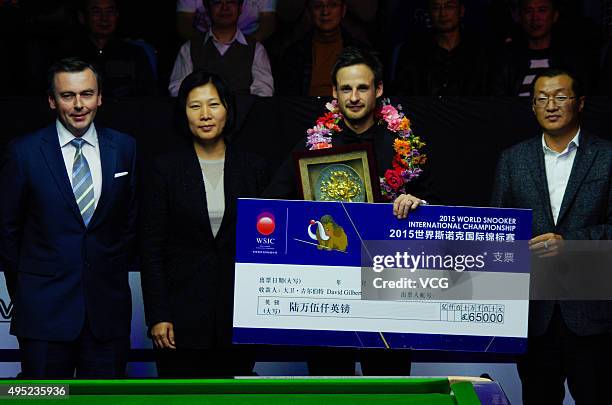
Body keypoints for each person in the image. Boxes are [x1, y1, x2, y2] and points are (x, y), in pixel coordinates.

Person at [266, 46, 435, 375]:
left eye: (362, 87)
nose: (354, 96)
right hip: (330, 287)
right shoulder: (314, 144)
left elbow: (437, 210)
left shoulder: (407, 146)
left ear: (379, 90)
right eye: (346, 88)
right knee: (330, 385)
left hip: (389, 288)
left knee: (389, 386)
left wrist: (418, 205)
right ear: (334, 93)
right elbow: (274, 201)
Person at [0, 57, 137, 378]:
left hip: (107, 315)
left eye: (87, 94)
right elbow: (7, 230)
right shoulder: (24, 152)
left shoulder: (125, 148)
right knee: (44, 401)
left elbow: (129, 222)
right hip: (43, 314)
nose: (79, 105)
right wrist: (28, 292)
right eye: (67, 95)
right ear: (52, 100)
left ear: (100, 97)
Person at [491, 68, 612, 404]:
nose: (551, 105)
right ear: (532, 106)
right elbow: (498, 233)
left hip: (593, 314)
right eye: (541, 98)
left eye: (561, 96)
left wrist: (569, 244)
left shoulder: (607, 156)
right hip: (534, 314)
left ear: (580, 102)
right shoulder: (513, 160)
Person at [140, 69, 269, 377]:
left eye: (213, 104)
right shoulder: (164, 170)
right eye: (194, 106)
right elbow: (151, 248)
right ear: (183, 113)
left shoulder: (254, 168)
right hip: (179, 319)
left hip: (237, 316)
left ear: (228, 109)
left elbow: (268, 247)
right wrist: (158, 315)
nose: (205, 115)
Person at [491, 0, 597, 96]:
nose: (535, 18)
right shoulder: (506, 60)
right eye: (528, 11)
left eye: (542, 10)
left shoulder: (573, 60)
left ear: (555, 15)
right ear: (520, 16)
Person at [169, 0, 274, 97]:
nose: (225, 8)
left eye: (231, 2)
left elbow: (263, 92)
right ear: (208, 9)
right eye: (217, 2)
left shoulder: (256, 49)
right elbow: (178, 90)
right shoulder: (190, 48)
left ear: (240, 8)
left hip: (244, 113)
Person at [58, 0, 157, 98]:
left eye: (110, 12)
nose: (104, 18)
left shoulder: (135, 53)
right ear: (82, 17)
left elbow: (149, 95)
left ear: (117, 15)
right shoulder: (67, 55)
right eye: (96, 12)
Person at [392, 0, 489, 96]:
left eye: (449, 6)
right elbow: (402, 93)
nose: (443, 13)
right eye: (436, 7)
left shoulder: (480, 52)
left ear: (461, 10)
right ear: (429, 12)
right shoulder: (413, 51)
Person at [276, 0, 368, 96]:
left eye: (333, 5)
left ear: (343, 10)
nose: (325, 12)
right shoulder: (294, 54)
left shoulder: (361, 52)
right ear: (309, 13)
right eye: (318, 6)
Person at [176, 0, 277, 42]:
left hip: (251, 37)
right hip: (202, 36)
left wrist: (243, 45)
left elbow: (268, 22)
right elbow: (184, 21)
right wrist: (203, 44)